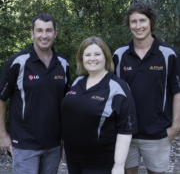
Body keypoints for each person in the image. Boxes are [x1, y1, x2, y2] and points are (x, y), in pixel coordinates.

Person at [113, 2, 180, 174]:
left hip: (158, 132)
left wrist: (175, 127)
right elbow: (112, 93)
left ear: (151, 22)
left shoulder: (168, 54)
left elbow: (177, 92)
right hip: (126, 132)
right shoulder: (119, 55)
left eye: (142, 20)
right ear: (128, 25)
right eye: (133, 21)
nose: (138, 26)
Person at [0, 13, 71, 174]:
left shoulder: (63, 63)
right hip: (25, 144)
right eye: (39, 30)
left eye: (48, 30)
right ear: (32, 33)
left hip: (54, 145)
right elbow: (1, 98)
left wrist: (67, 140)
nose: (44, 35)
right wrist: (2, 134)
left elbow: (67, 104)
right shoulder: (17, 62)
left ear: (55, 33)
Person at [61, 36, 138, 174]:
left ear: (106, 57)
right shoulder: (77, 82)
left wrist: (119, 166)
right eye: (87, 55)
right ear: (81, 58)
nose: (92, 58)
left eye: (97, 54)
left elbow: (126, 129)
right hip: (74, 160)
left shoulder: (118, 87)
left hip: (100, 163)